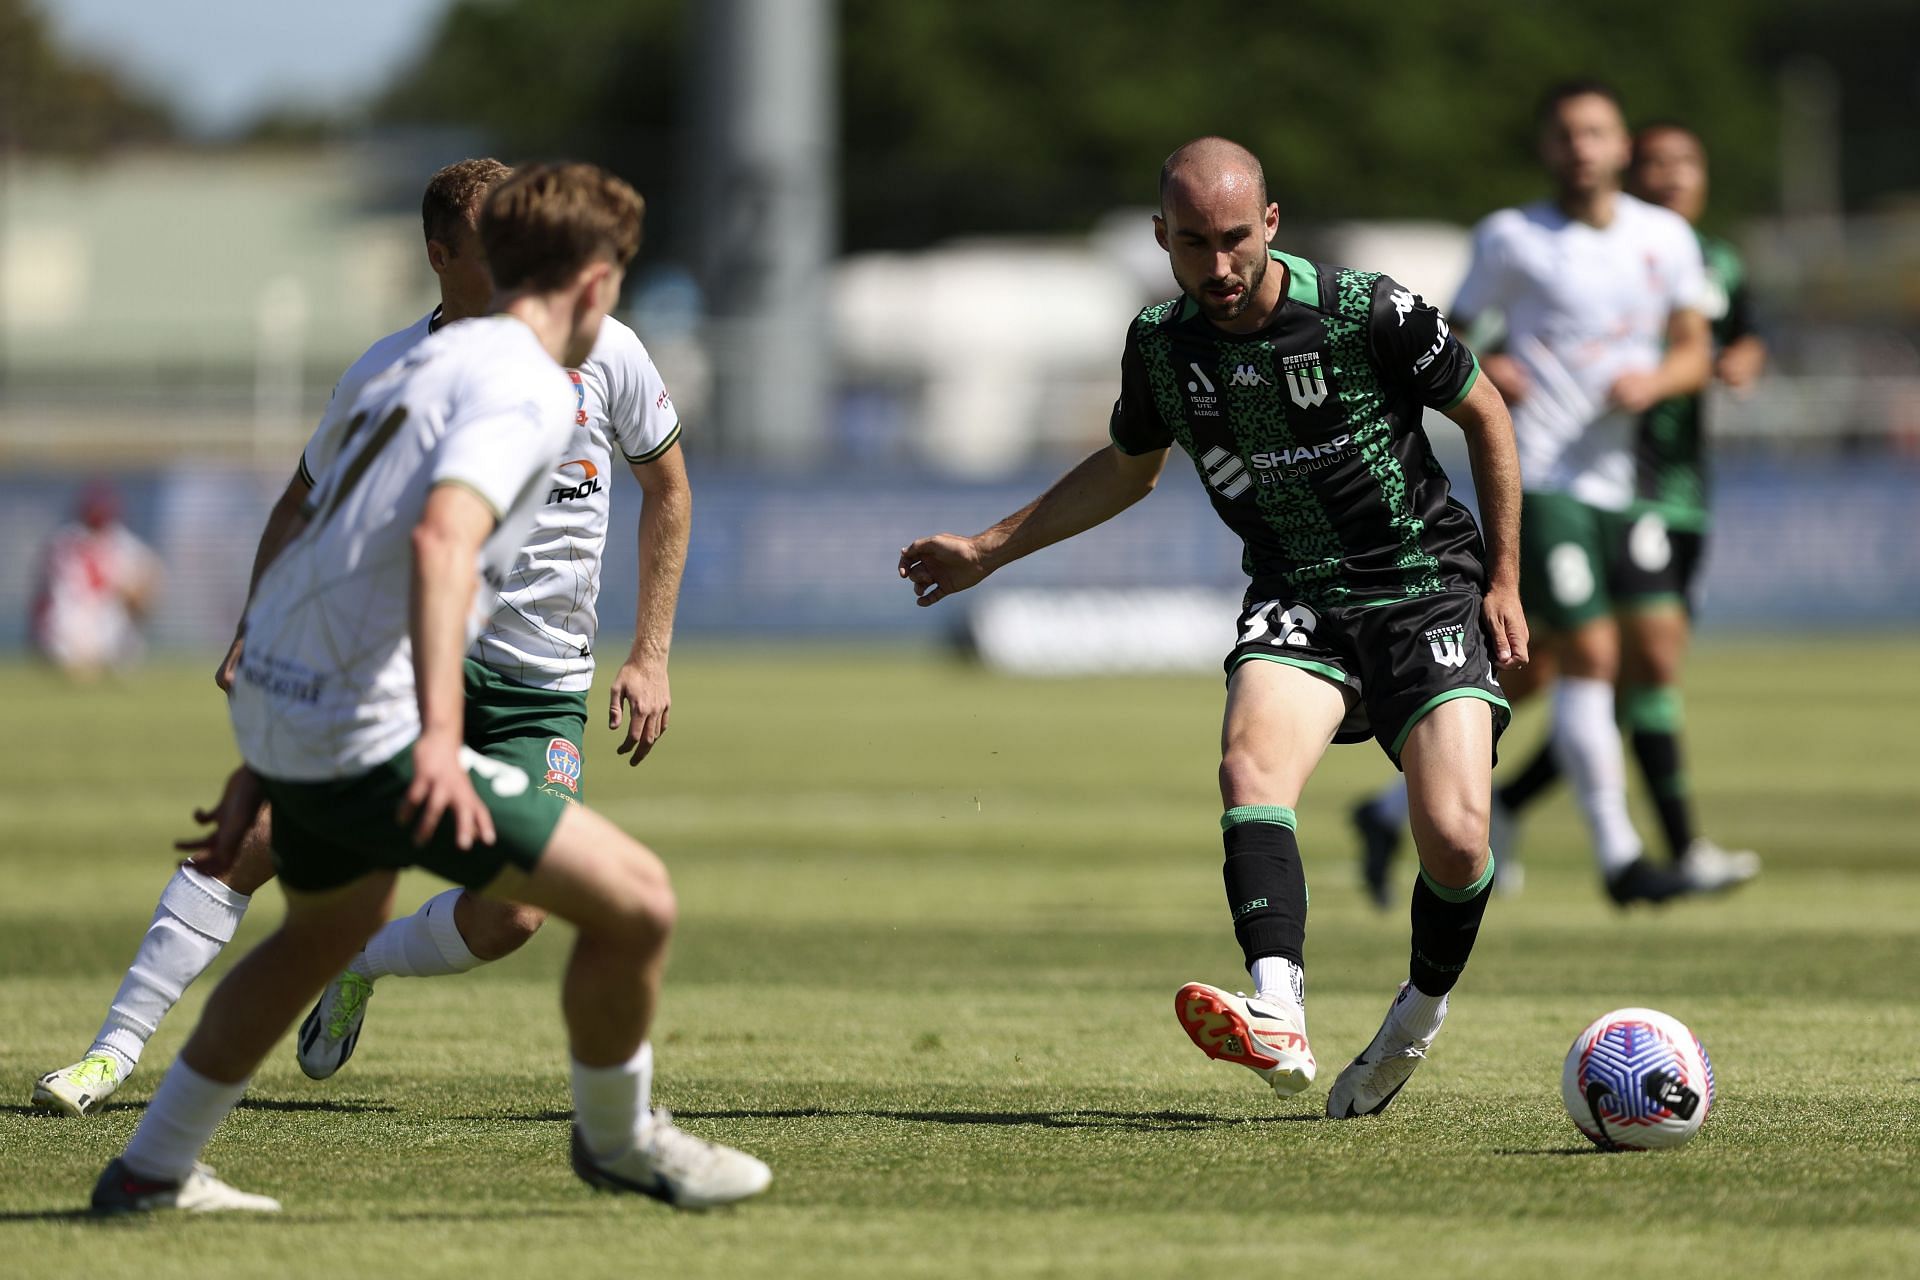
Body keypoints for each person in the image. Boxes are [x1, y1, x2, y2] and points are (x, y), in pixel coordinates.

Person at [88, 162, 767, 1213]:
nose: (620, 304)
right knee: (636, 903)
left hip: (311, 697)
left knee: (320, 930)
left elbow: (328, 553)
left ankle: (149, 1169)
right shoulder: (525, 385)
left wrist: (262, 744)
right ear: (588, 286)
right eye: (618, 281)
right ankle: (619, 1139)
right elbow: (441, 541)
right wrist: (440, 738)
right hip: (380, 719)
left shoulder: (413, 371)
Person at [900, 137, 1527, 1118]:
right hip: (1297, 590)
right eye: (1194, 244)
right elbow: (1127, 466)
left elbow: (1486, 413)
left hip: (1422, 585)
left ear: (1270, 224)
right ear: (1162, 237)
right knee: (1251, 770)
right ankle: (1278, 1005)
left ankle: (1416, 1018)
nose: (1220, 265)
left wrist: (1505, 579)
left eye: (1236, 239)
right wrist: (987, 548)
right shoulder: (1161, 344)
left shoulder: (1369, 311)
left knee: (1453, 837)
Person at [1351, 82, 1739, 908]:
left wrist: (1657, 379)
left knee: (1561, 671)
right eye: (1565, 135)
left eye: (1595, 133)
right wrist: (1491, 368)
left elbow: (1695, 349)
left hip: (1629, 488)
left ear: (1621, 145)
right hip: (1544, 478)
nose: (1581, 149)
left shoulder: (1665, 238)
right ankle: (1621, 859)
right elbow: (1446, 336)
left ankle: (1387, 812)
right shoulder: (1512, 238)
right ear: (1547, 149)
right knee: (1592, 655)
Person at [29, 483, 163, 680]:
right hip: (71, 623)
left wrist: (134, 599)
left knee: (125, 615)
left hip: (105, 623)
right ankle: (91, 663)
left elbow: (148, 583)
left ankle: (99, 662)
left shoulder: (119, 542)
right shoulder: (69, 541)